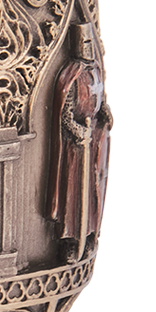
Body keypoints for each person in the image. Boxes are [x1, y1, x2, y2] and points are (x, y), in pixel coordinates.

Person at [48, 23, 113, 261]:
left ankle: (89, 236)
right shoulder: (72, 76)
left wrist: (105, 113)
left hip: (93, 142)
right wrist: (77, 132)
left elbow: (99, 99)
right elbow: (65, 114)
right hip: (75, 149)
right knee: (73, 192)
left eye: (90, 44)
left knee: (93, 189)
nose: (88, 48)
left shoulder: (94, 71)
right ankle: (70, 239)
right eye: (84, 44)